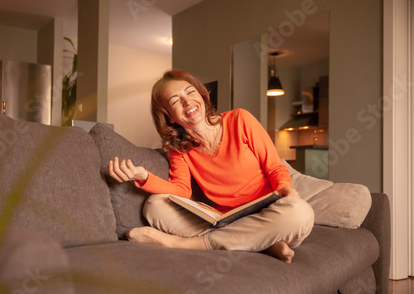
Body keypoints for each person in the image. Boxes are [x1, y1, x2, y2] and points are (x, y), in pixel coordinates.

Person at [108, 69, 314, 263]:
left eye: (190, 92)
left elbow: (274, 167)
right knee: (155, 205)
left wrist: (285, 188)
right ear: (169, 116)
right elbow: (181, 190)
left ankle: (183, 244)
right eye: (175, 101)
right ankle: (264, 243)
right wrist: (143, 176)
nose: (187, 101)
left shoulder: (240, 119)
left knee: (301, 213)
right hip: (225, 219)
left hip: (270, 211)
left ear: (202, 95)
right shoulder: (178, 149)